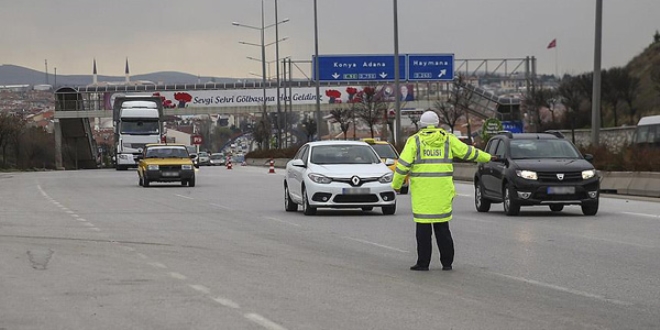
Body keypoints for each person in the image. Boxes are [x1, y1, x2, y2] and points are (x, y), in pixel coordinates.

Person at [391, 111, 495, 271]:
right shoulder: (447, 139)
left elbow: (402, 166)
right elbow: (467, 152)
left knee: (423, 230)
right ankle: (447, 263)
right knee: (442, 228)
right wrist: (488, 157)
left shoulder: (415, 141)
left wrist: (396, 185)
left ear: (421, 125)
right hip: (442, 192)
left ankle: (423, 263)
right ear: (438, 124)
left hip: (422, 194)